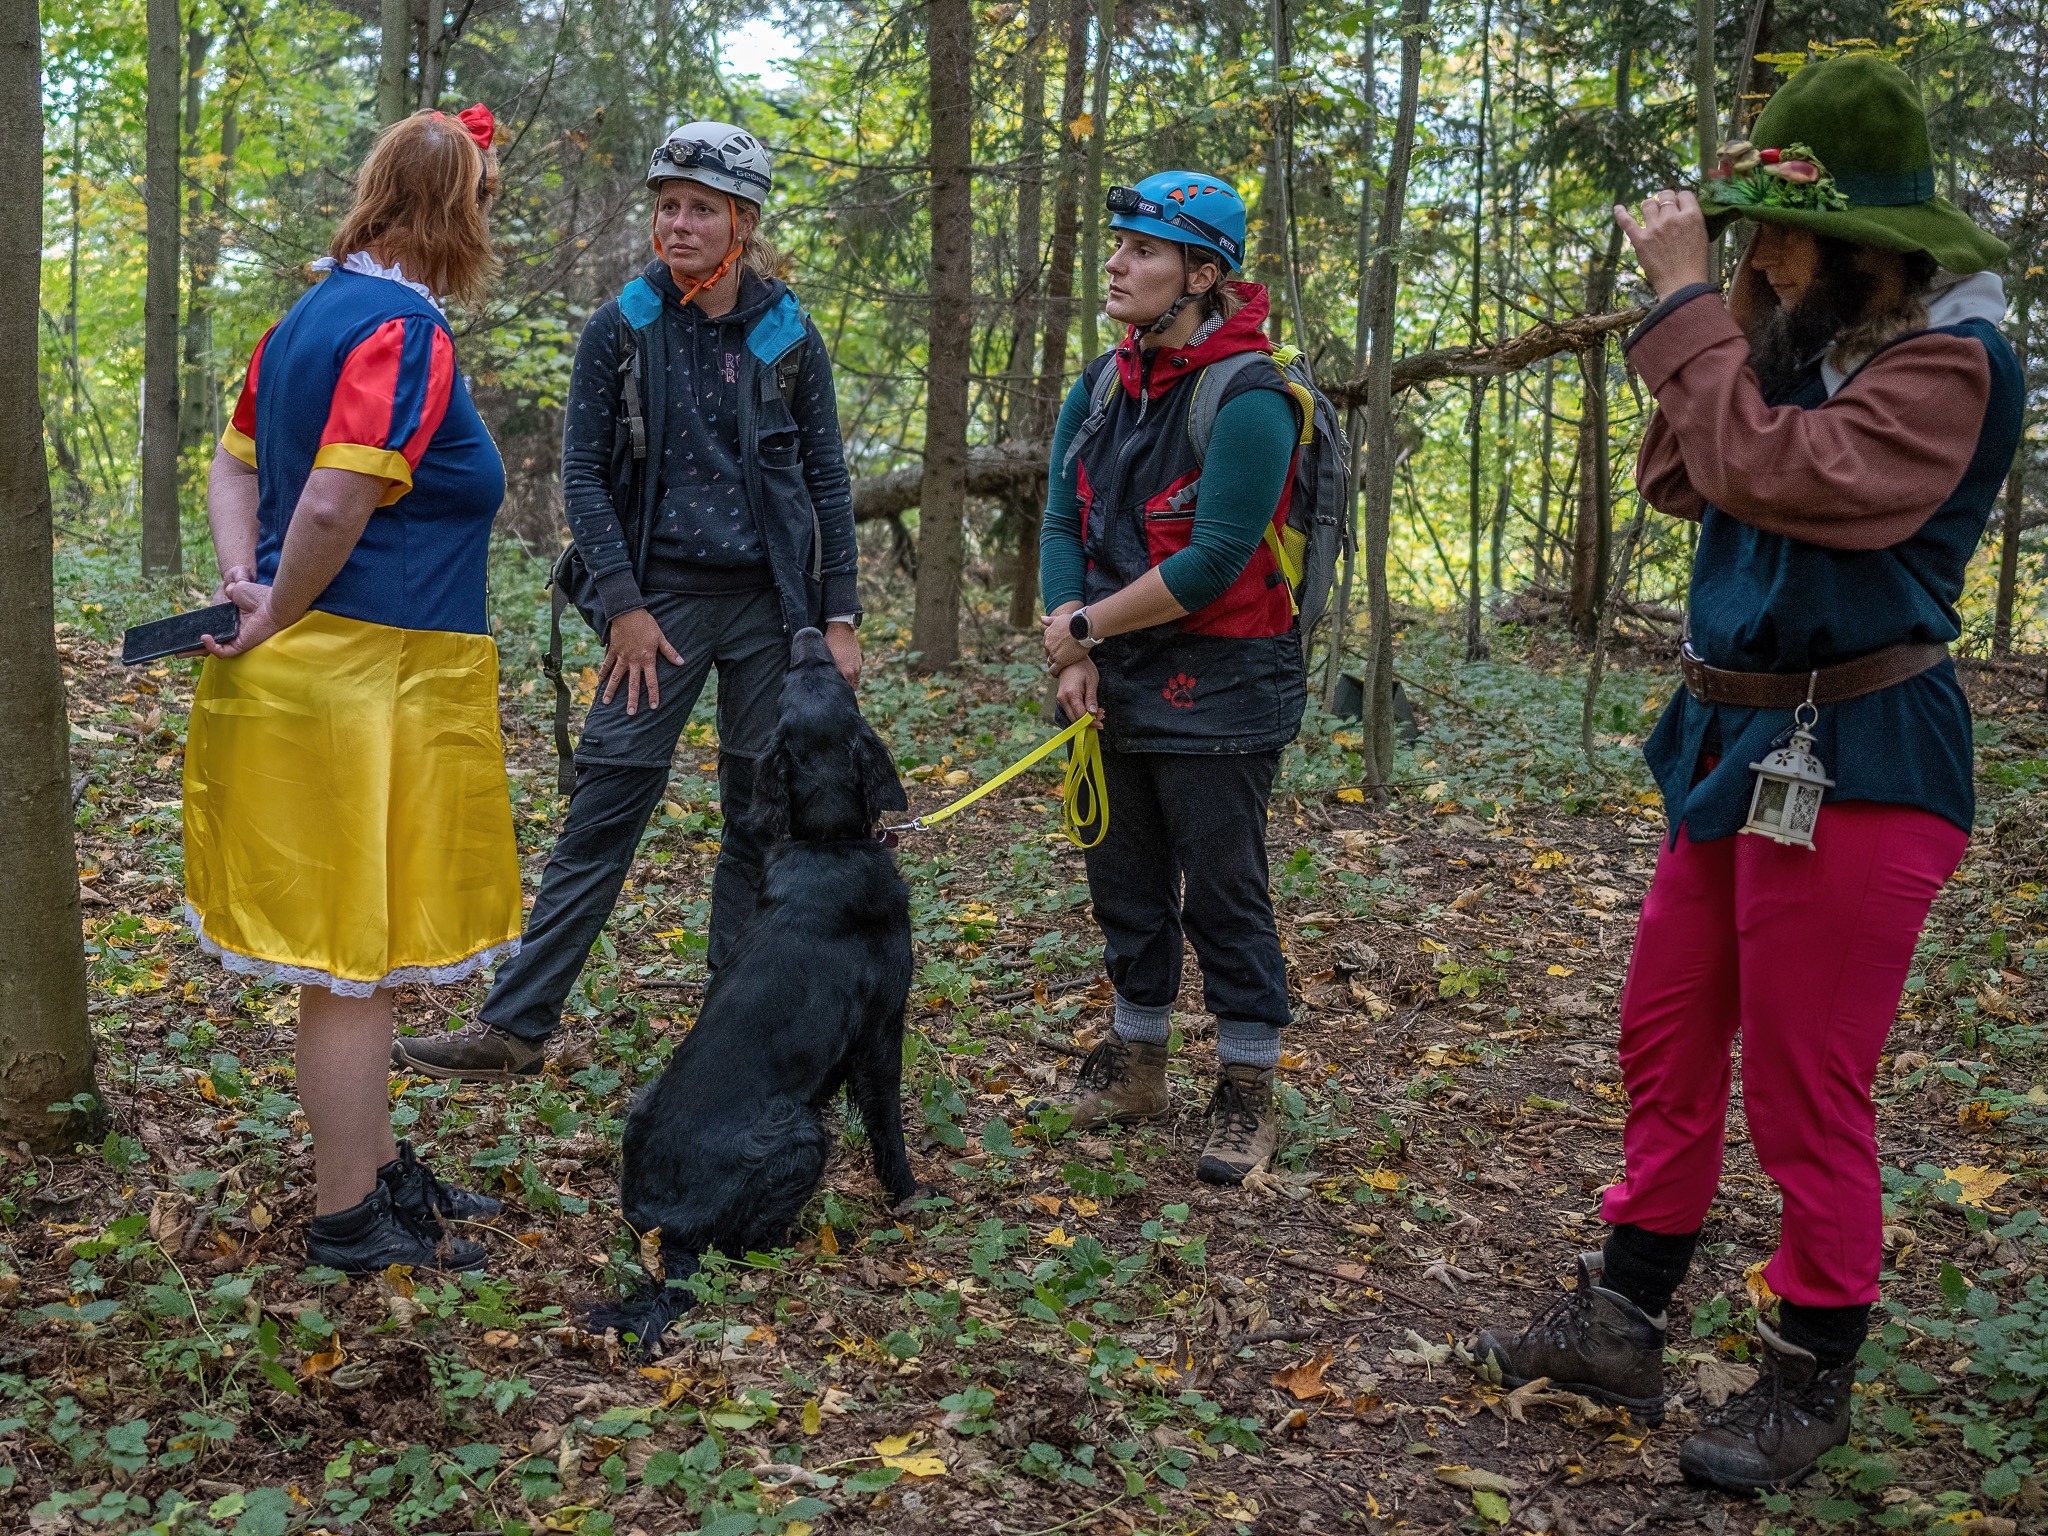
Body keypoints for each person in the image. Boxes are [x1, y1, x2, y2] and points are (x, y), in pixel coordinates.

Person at [1473, 55, 2022, 1493]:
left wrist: (1684, 310)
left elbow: (1778, 474)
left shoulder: (1951, 365)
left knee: (1802, 1082)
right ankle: (1624, 1316)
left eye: (1781, 235)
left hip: (1866, 756)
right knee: (1664, 1037)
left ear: (1862, 247)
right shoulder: (1798, 345)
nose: (1759, 258)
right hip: (1733, 746)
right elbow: (1685, 472)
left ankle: (1808, 1370)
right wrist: (1729, 314)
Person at [393, 121, 860, 1080]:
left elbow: (826, 477)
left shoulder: (787, 332)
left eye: (701, 208)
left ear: (743, 221)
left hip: (774, 611)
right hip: (657, 606)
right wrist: (623, 606)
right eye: (668, 206)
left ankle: (735, 1030)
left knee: (760, 817)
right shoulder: (624, 325)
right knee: (606, 805)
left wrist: (837, 618)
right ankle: (515, 1026)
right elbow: (583, 474)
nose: (679, 223)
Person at [186, 106, 519, 1274]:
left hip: (342, 676)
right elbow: (331, 502)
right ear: (457, 210)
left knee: (357, 959)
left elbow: (232, 463)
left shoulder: (305, 318)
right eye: (485, 201)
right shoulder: (401, 331)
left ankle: (376, 1173)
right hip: (362, 682)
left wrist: (248, 581)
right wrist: (274, 602)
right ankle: (346, 1220)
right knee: (352, 968)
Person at [1038, 171, 1308, 1185]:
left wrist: (1082, 632)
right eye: (1119, 243)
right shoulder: (1102, 385)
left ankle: (1246, 1087)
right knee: (1123, 878)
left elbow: (1215, 561)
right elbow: (1061, 520)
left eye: (1143, 250)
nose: (1116, 264)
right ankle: (1136, 1064)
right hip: (1112, 669)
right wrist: (1075, 649)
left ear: (1201, 275)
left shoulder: (1251, 398)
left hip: (1224, 682)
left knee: (1223, 892)